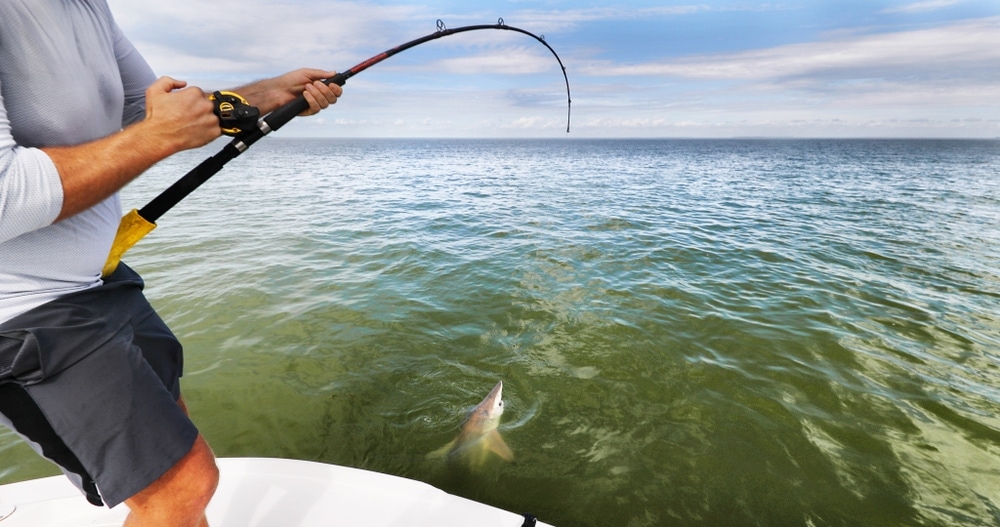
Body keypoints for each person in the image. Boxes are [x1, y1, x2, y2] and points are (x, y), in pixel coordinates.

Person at [0, 1, 342, 525]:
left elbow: (147, 110)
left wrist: (269, 95)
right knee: (181, 486)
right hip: (24, 308)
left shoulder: (88, 5)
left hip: (99, 280)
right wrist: (159, 137)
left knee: (174, 454)